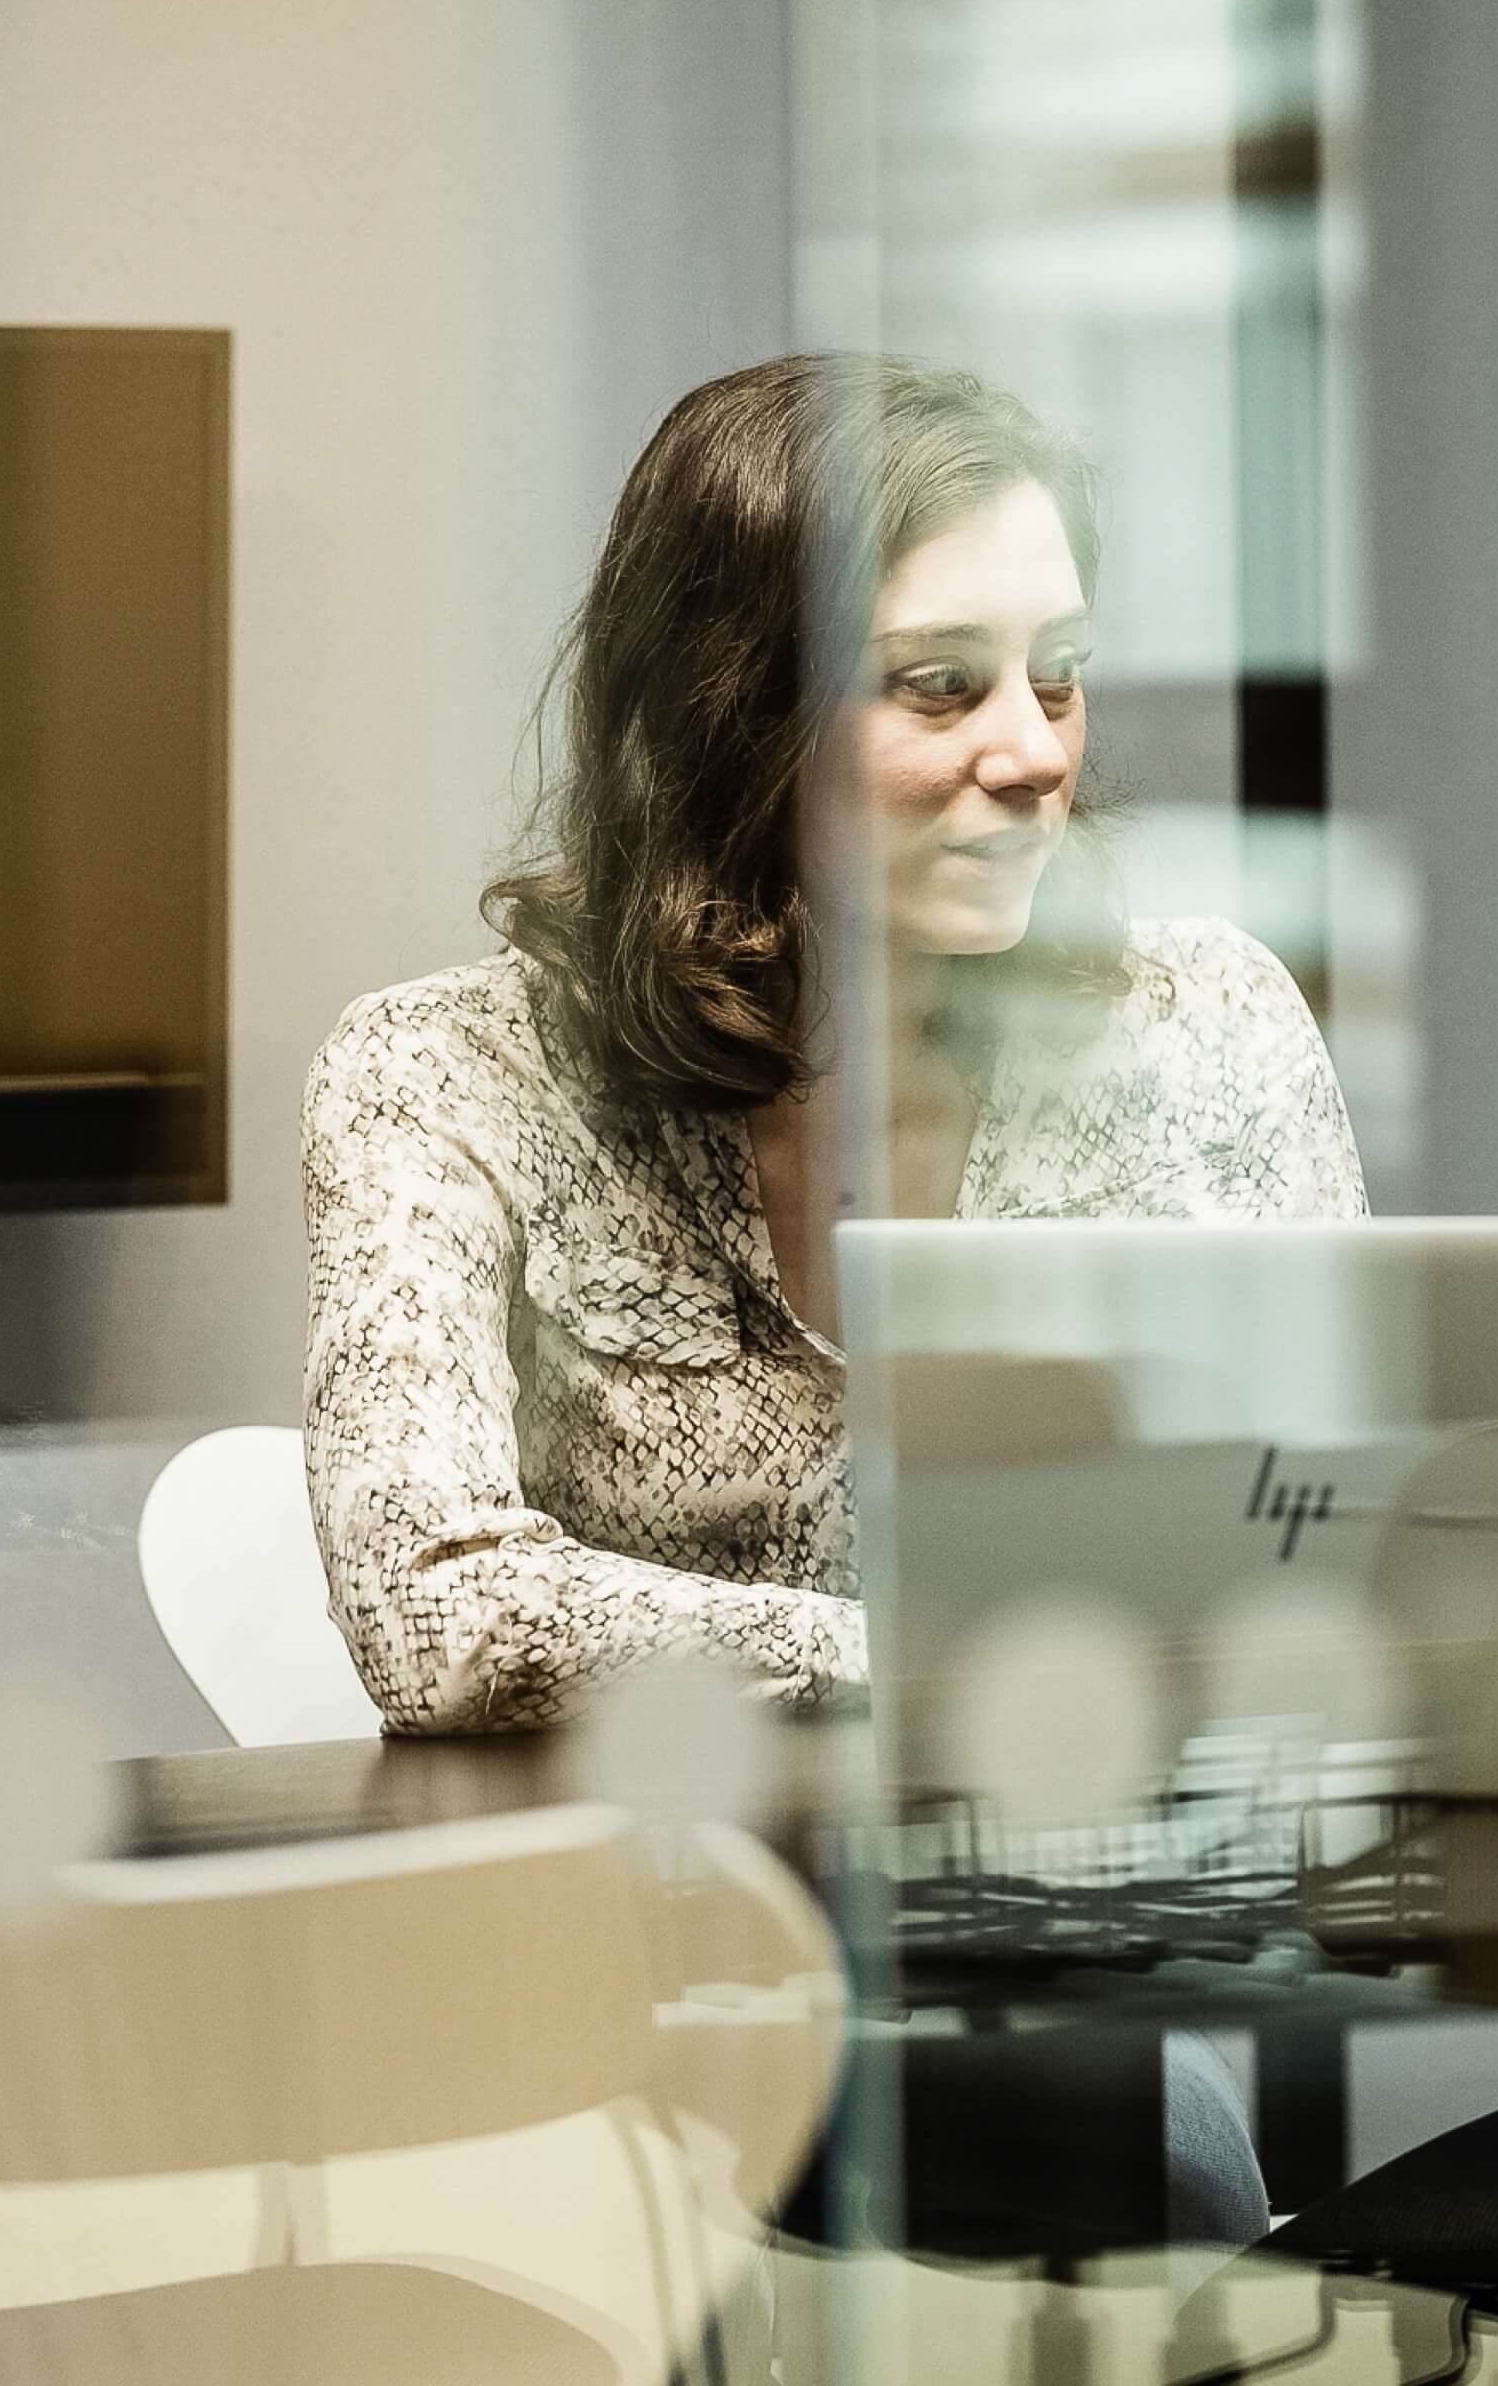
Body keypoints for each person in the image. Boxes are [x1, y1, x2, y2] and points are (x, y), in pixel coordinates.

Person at [298, 352, 1359, 1737]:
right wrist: (940, 1656)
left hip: (1122, 1883)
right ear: (729, 716)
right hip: (659, 1910)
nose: (1036, 752)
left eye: (1061, 677)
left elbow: (1344, 1541)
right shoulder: (440, 1074)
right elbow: (433, 1609)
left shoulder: (1208, 1021)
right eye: (937, 686)